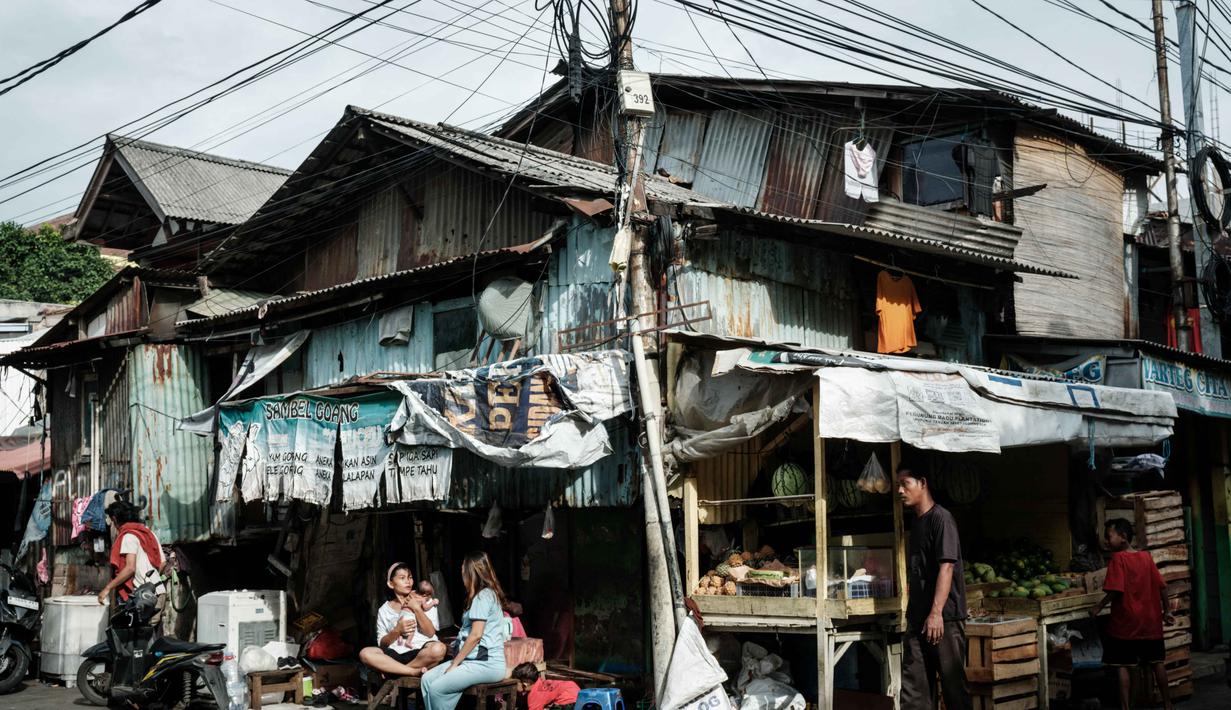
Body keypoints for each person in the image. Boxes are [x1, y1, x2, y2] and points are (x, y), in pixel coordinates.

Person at [897, 465, 970, 710]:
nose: (900, 490)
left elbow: (946, 567)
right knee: (914, 690)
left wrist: (936, 612)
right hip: (918, 618)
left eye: (905, 483)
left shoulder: (942, 519)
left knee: (953, 690)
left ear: (923, 482)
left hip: (944, 619)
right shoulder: (917, 523)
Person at [1090, 518, 1174, 710]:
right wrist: (1167, 611)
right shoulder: (1146, 557)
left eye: (1109, 536)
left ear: (1123, 537)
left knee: (1122, 665)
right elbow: (1162, 587)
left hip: (1126, 623)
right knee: (1157, 662)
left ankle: (1126, 707)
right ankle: (1168, 704)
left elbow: (1115, 590)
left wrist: (1099, 606)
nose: (1105, 540)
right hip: (1151, 621)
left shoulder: (1118, 559)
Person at [421, 551, 510, 710]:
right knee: (427, 679)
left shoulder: (483, 597)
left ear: (471, 572)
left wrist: (455, 663)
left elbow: (475, 636)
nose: (461, 572)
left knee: (437, 689)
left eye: (463, 569)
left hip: (485, 664)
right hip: (472, 661)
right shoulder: (479, 597)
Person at [359, 563, 447, 677]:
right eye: (402, 578)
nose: (408, 581)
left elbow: (430, 633)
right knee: (365, 653)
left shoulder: (424, 598)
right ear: (391, 584)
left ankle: (395, 672)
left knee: (439, 649)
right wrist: (397, 630)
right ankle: (411, 671)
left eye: (410, 577)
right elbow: (382, 643)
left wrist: (416, 608)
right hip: (395, 655)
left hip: (421, 653)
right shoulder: (384, 610)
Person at [97, 500, 166, 623]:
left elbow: (130, 568)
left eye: (112, 522)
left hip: (143, 598)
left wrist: (108, 588)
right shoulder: (149, 534)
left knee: (139, 637)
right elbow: (162, 563)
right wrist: (151, 581)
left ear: (115, 519)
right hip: (158, 592)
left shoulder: (128, 537)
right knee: (152, 635)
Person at [511, 662, 579, 710]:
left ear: (526, 683)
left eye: (515, 682)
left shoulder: (535, 695)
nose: (514, 685)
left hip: (569, 701)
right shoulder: (540, 682)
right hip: (575, 691)